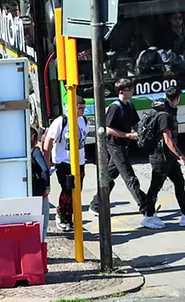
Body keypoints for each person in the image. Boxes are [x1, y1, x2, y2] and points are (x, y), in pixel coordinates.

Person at [140, 87, 185, 229]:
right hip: (161, 157)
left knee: (179, 182)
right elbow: (168, 140)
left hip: (167, 157)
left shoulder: (163, 110)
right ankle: (149, 216)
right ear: (177, 98)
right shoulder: (165, 115)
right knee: (155, 186)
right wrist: (182, 157)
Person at [89, 78, 147, 214]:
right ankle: (145, 206)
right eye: (129, 89)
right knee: (130, 177)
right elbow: (106, 128)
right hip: (115, 146)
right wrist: (127, 135)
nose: (132, 91)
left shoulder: (130, 105)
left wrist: (142, 134)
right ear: (121, 92)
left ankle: (96, 204)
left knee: (108, 177)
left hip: (124, 146)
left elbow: (135, 124)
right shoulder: (115, 107)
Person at [42, 95, 87, 232]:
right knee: (67, 189)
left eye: (83, 108)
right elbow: (48, 140)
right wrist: (47, 160)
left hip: (79, 161)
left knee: (76, 191)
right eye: (79, 108)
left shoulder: (83, 121)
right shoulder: (62, 121)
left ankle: (70, 217)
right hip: (63, 161)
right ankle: (61, 215)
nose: (82, 111)